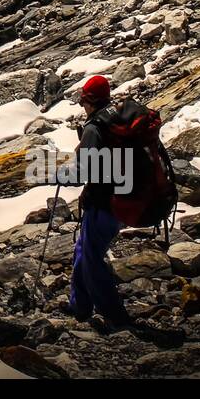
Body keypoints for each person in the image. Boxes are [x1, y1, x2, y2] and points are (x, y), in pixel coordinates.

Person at [69, 75, 131, 328]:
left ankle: (114, 314)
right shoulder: (116, 119)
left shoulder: (95, 127)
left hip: (103, 201)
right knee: (83, 251)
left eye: (84, 101)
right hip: (120, 197)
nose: (82, 106)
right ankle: (80, 307)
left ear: (90, 100)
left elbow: (86, 168)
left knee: (91, 257)